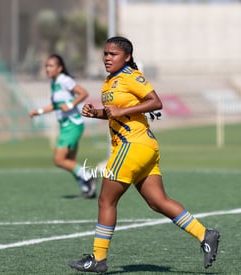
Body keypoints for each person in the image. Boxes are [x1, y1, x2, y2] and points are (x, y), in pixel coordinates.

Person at [68, 36, 220, 273]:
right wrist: (96, 113)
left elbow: (155, 102)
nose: (107, 58)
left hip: (132, 145)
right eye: (105, 53)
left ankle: (98, 259)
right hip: (143, 147)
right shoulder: (110, 82)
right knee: (158, 201)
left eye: (113, 54)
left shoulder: (130, 77)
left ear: (127, 57)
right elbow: (118, 114)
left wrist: (121, 109)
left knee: (106, 200)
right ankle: (205, 234)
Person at [29, 54, 96, 198]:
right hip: (66, 126)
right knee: (70, 161)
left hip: (72, 124)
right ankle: (87, 189)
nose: (47, 69)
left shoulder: (65, 80)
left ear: (60, 68)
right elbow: (56, 105)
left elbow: (83, 93)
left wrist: (71, 104)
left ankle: (88, 175)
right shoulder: (54, 83)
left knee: (59, 159)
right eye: (46, 66)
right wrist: (39, 111)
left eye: (51, 66)